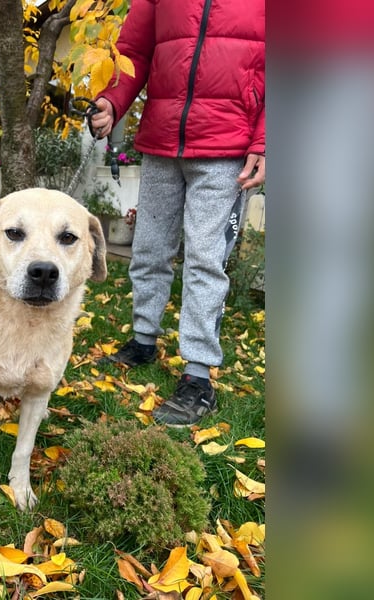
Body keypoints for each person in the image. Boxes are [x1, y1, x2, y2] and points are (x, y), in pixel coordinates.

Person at [91, 0, 265, 426]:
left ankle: (198, 376)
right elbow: (133, 51)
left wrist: (265, 141)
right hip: (162, 138)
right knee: (148, 249)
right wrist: (114, 102)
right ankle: (143, 338)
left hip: (227, 146)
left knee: (206, 258)